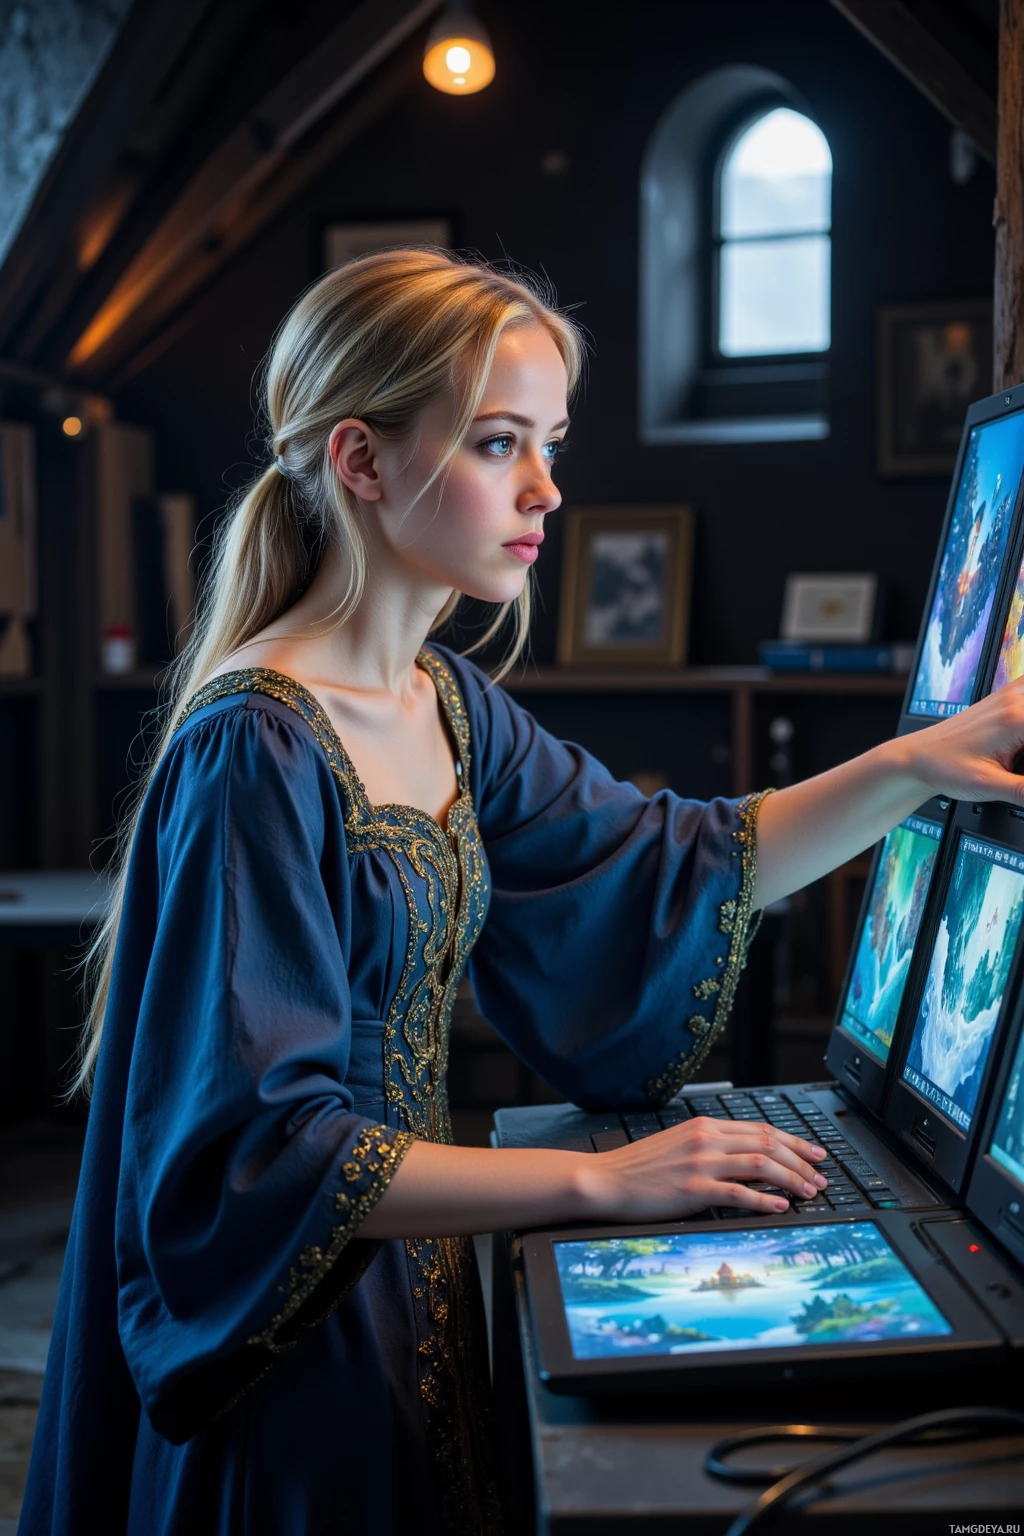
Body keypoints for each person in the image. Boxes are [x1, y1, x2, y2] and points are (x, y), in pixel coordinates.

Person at [18, 249, 1024, 1536]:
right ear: (359, 460)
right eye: (500, 444)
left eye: (549, 442)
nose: (547, 488)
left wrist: (915, 763)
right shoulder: (255, 745)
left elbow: (673, 862)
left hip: (411, 1294)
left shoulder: (446, 702)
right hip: (292, 1352)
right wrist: (604, 1185)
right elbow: (260, 1156)